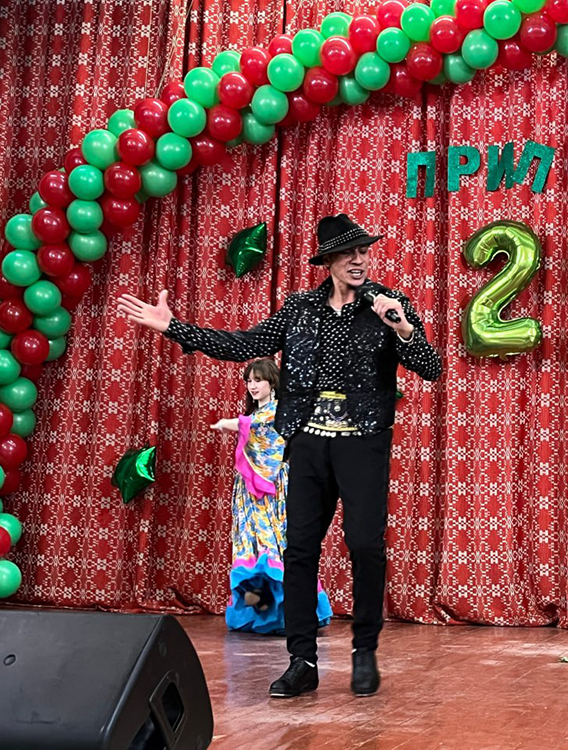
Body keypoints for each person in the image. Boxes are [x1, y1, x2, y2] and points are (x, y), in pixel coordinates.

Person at [117, 214, 442, 697]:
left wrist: (402, 327)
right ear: (329, 260)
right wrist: (173, 327)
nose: (359, 260)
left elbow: (431, 367)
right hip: (307, 443)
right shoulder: (300, 309)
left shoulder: (388, 305)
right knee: (299, 550)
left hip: (362, 442)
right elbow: (244, 345)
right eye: (348, 252)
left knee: (365, 545)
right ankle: (302, 660)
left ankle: (364, 650)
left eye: (363, 251)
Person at [210, 358, 333, 635]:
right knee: (249, 542)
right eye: (249, 381)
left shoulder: (276, 411)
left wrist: (228, 423)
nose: (252, 386)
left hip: (272, 487)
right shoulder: (257, 412)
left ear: (272, 382)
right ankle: (260, 608)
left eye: (258, 380)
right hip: (248, 490)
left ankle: (290, 612)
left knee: (273, 543)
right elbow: (250, 424)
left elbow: (254, 425)